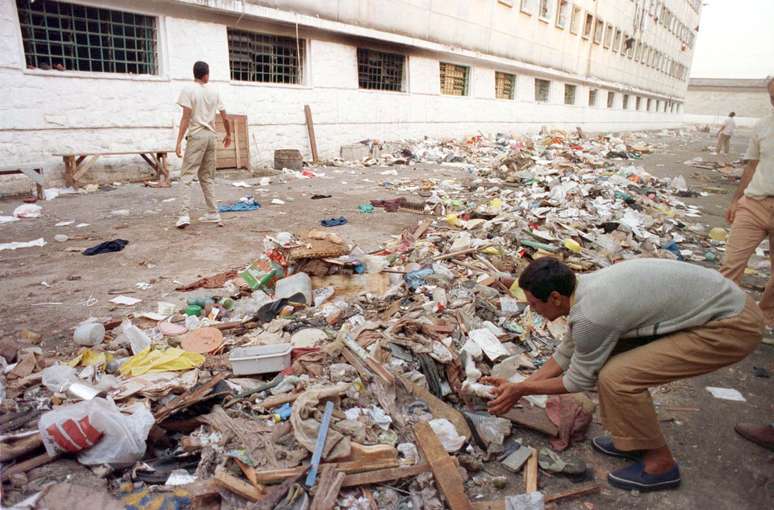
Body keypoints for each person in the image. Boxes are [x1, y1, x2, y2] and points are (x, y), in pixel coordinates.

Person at [484, 257, 762, 492]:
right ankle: (631, 440)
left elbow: (578, 380)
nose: (532, 310)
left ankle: (661, 465)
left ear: (555, 298)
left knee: (618, 377)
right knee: (614, 368)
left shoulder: (593, 316)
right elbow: (567, 352)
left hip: (730, 325)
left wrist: (522, 391)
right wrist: (519, 384)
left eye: (534, 304)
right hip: (720, 305)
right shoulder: (582, 291)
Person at [721, 78, 774, 325]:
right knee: (731, 263)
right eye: (772, 96)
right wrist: (736, 200)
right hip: (754, 203)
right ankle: (721, 313)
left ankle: (766, 317)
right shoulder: (764, 126)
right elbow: (752, 166)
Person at [175, 61, 231, 229]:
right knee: (206, 176)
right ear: (206, 75)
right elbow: (225, 116)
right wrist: (228, 134)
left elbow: (186, 117)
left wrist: (178, 142)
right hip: (211, 137)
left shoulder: (188, 90)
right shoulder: (214, 91)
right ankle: (213, 213)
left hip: (197, 136)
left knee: (186, 176)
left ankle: (184, 215)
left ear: (194, 74)